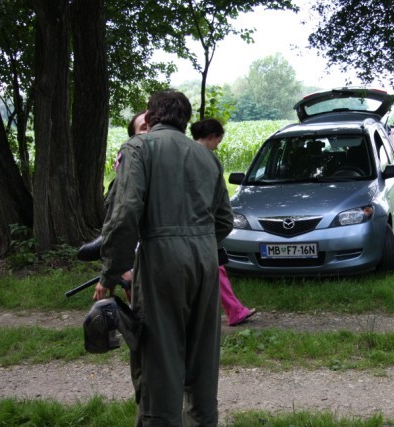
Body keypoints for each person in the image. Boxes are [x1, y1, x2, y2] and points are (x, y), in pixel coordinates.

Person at [93, 89, 234, 426]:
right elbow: (225, 221)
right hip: (206, 261)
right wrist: (197, 242)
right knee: (202, 356)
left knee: (159, 355)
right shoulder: (207, 157)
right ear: (185, 120)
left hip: (161, 259)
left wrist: (110, 273)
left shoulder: (138, 148)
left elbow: (124, 213)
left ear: (151, 115)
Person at [190, 118, 256, 327]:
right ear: (212, 137)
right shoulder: (207, 160)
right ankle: (234, 311)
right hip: (202, 228)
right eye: (218, 140)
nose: (218, 145)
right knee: (215, 270)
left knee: (215, 270)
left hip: (189, 229)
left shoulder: (184, 154)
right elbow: (216, 200)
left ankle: (234, 310)